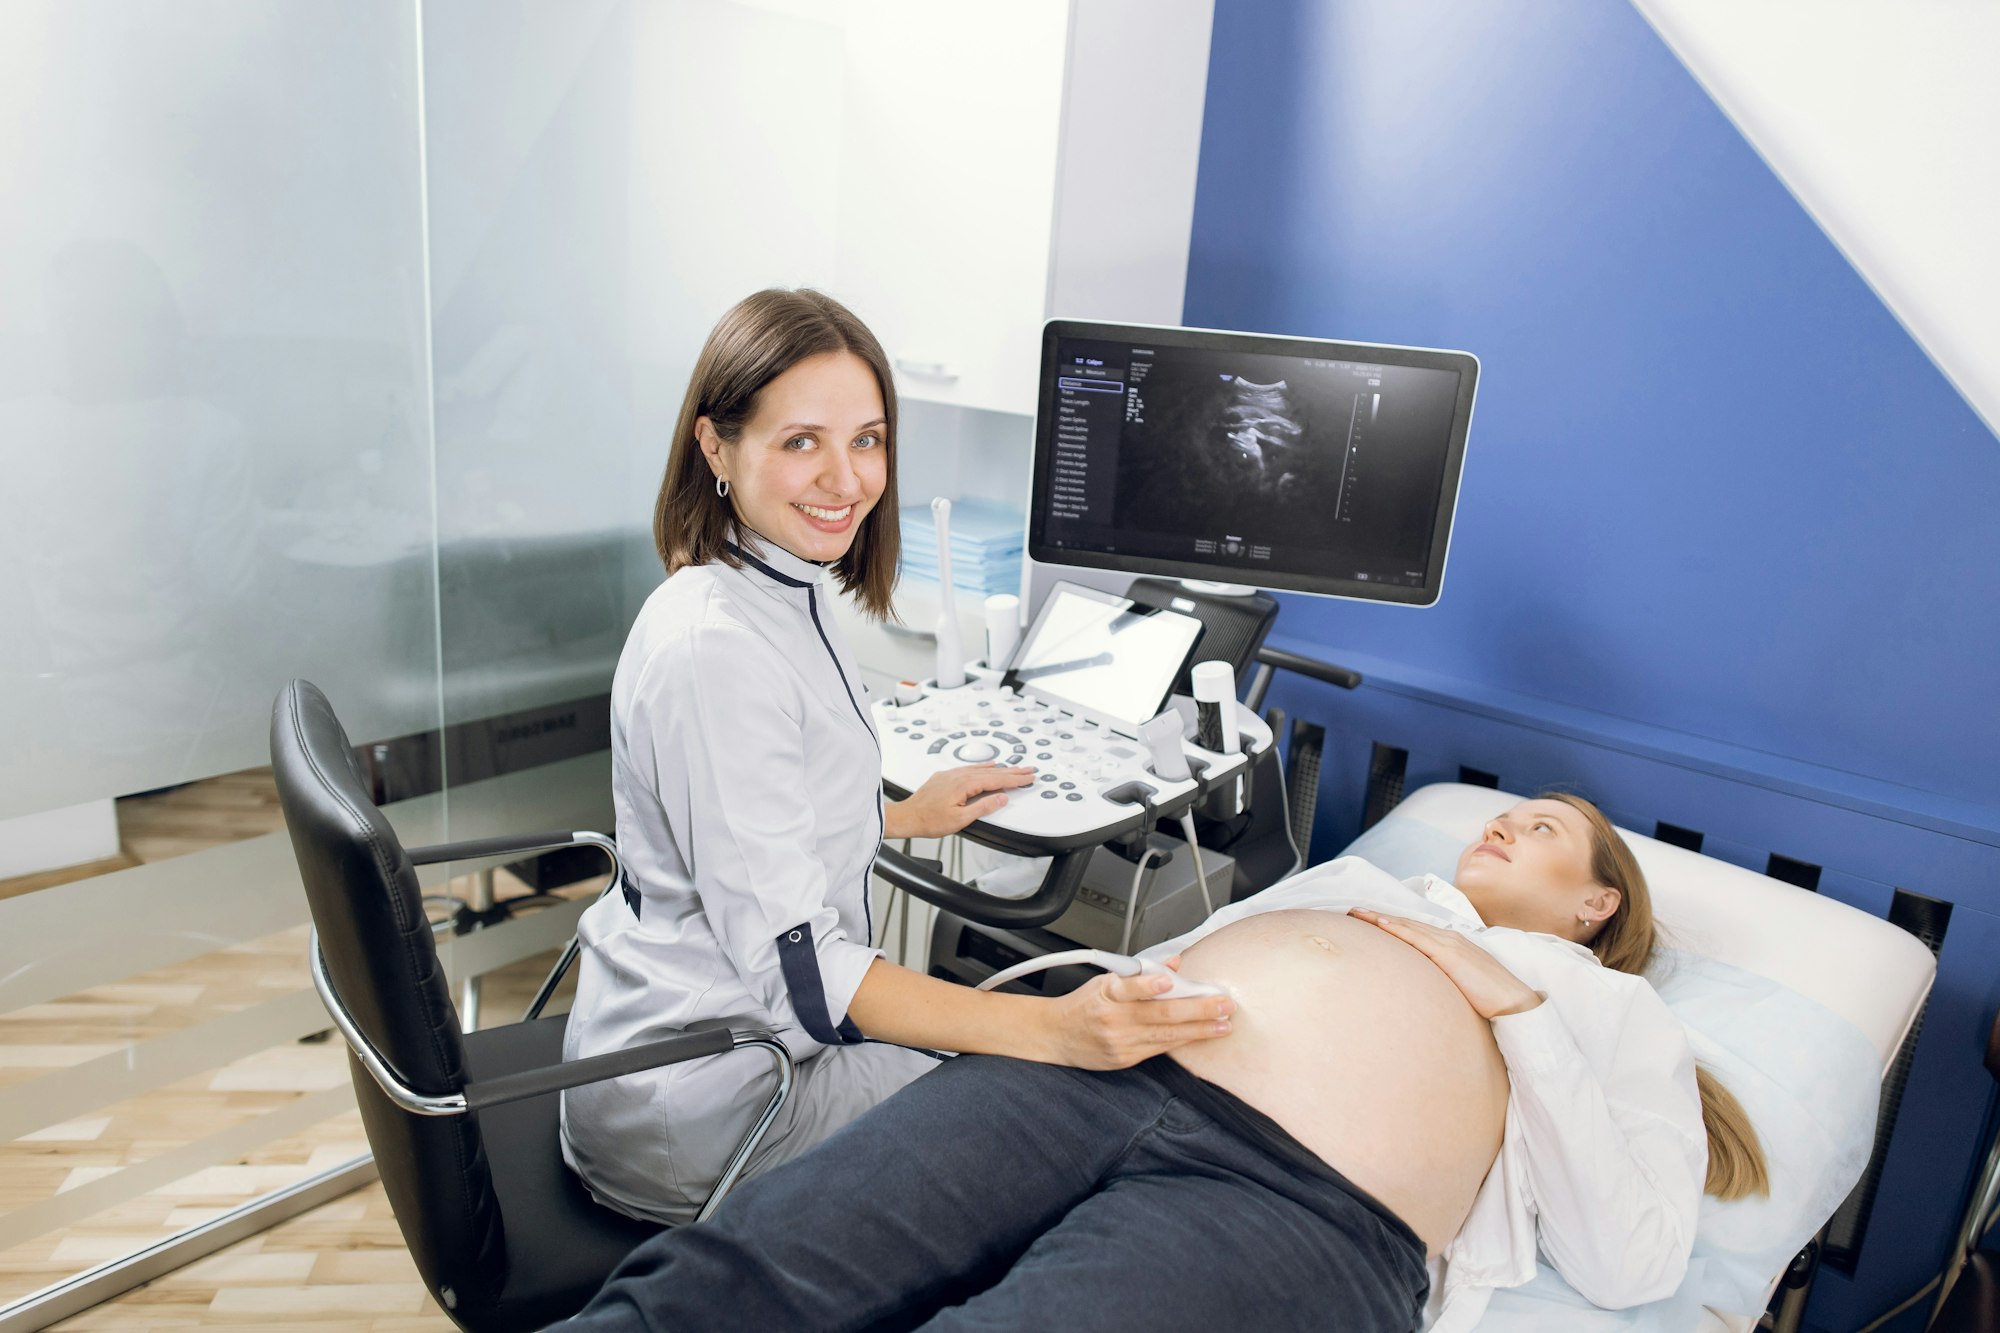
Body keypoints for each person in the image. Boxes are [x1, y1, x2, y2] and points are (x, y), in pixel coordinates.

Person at [562, 794, 1771, 1332]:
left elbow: (1633, 1262)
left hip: (1298, 1202)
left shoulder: (1604, 1010)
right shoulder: (1363, 885)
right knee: (742, 1273)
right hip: (1083, 1077)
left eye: (1547, 826)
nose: (1503, 819)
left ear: (1596, 902)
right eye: (1505, 809)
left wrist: (1512, 1004)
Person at [560, 289, 1234, 1226]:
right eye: (802, 441)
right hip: (717, 1101)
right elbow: (805, 968)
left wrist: (904, 814)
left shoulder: (775, 584)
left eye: (867, 439)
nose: (846, 479)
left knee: (1011, 1091)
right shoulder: (715, 649)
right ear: (716, 447)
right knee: (1049, 1133)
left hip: (714, 1045)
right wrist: (1057, 1027)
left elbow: (751, 830)